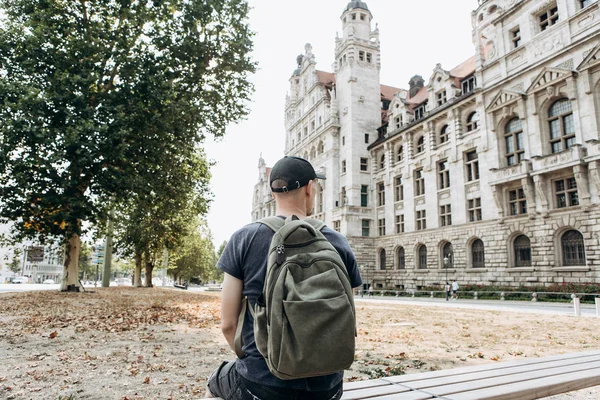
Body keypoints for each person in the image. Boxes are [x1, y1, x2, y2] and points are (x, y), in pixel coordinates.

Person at [206, 156, 362, 400]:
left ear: (272, 193)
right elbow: (348, 315)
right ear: (310, 188)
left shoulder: (244, 238)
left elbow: (227, 324)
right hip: (327, 389)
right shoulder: (338, 242)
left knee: (215, 383)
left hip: (263, 384)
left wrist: (255, 362)